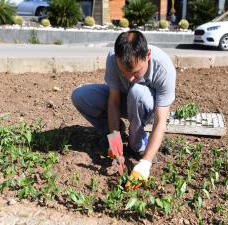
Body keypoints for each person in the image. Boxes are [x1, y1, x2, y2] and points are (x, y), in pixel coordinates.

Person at [71, 30, 176, 186]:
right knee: (80, 95)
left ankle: (137, 145)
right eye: (124, 72)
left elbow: (161, 121)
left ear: (147, 55)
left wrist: (145, 162)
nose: (130, 78)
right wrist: (114, 138)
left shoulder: (164, 69)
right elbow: (113, 101)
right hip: (125, 102)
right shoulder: (113, 58)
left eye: (135, 72)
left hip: (148, 110)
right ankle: (117, 132)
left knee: (137, 91)